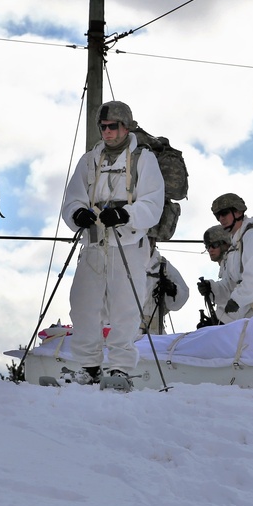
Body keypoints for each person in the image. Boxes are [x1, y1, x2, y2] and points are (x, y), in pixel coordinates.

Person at [60, 101, 165, 384]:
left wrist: (124, 214)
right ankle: (89, 366)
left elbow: (153, 203)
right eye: (103, 127)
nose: (107, 132)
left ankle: (120, 367)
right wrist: (77, 213)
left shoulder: (143, 158)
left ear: (126, 126)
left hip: (129, 243)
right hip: (94, 243)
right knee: (82, 305)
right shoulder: (89, 159)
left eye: (113, 126)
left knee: (125, 308)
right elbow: (72, 198)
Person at [196, 193, 253, 324]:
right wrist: (211, 288)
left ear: (238, 212)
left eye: (224, 213)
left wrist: (237, 300)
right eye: (217, 216)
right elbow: (231, 286)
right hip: (248, 310)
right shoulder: (235, 245)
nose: (221, 219)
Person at [141, 238, 189, 335]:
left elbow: (183, 293)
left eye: (149, 239)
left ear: (153, 242)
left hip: (155, 332)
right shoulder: (123, 262)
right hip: (127, 330)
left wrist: (172, 290)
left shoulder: (163, 265)